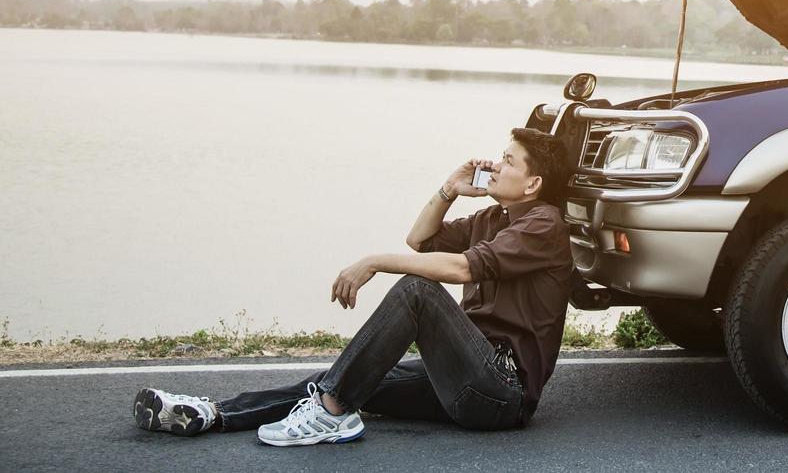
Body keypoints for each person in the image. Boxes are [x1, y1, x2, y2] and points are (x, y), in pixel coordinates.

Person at [131, 126, 575, 446]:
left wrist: (373, 262)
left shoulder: (543, 225)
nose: (496, 164)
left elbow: (460, 269)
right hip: (462, 374)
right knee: (340, 378)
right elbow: (419, 240)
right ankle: (214, 414)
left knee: (416, 291)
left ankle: (332, 413)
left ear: (533, 183)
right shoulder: (492, 218)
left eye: (509, 161)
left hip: (500, 391)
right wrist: (449, 189)